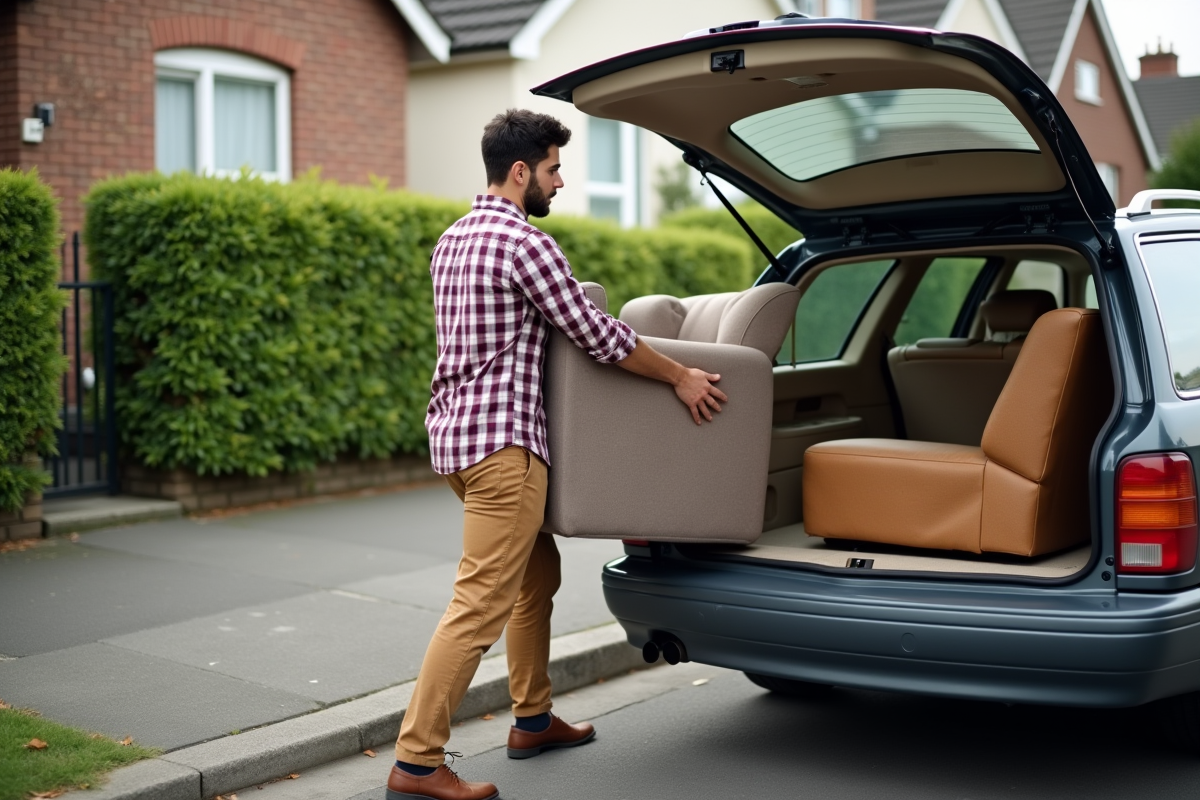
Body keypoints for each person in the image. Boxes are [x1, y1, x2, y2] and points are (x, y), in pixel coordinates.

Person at [387, 109, 727, 800]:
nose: (560, 182)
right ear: (520, 173)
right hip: (505, 451)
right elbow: (598, 334)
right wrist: (681, 375)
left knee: (534, 579)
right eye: (552, 169)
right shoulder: (525, 243)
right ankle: (418, 763)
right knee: (479, 604)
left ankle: (533, 719)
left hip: (455, 442)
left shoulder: (451, 240)